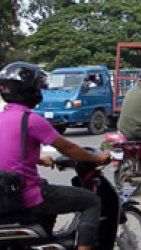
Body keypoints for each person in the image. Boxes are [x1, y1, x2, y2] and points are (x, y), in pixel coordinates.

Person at [0, 62, 110, 250]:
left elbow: (10, 151)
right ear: (29, 89)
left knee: (46, 187)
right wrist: (96, 158)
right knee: (91, 200)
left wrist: (38, 159)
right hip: (25, 194)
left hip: (5, 192)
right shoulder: (31, 119)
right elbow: (69, 149)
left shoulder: (2, 118)